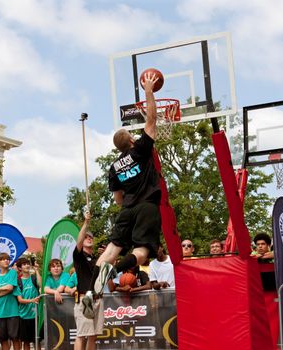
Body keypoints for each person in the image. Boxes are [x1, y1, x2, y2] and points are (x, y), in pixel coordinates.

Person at [82, 72, 162, 317]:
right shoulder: (139, 150)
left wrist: (128, 202)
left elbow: (117, 198)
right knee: (141, 252)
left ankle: (88, 292)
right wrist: (148, 91)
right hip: (147, 205)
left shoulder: (114, 167)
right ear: (130, 139)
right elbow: (151, 121)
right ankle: (115, 271)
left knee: (109, 251)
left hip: (126, 208)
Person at [72, 211, 104, 350]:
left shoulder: (98, 259)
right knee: (82, 334)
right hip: (86, 298)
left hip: (97, 298)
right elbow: (78, 241)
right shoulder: (79, 256)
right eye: (86, 237)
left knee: (93, 336)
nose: (89, 238)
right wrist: (86, 223)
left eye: (91, 237)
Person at [0, 253, 21, 350]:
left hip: (12, 312)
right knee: (3, 339)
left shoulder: (12, 273)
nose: (6, 261)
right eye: (3, 259)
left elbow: (10, 288)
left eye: (8, 259)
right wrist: (1, 289)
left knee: (15, 338)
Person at [16, 257, 41, 350]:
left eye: (27, 263)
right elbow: (20, 299)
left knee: (37, 340)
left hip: (36, 315)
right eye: (24, 264)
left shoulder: (33, 278)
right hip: (23, 316)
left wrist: (37, 270)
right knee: (25, 342)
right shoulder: (18, 282)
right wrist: (32, 300)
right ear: (19, 268)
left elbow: (40, 284)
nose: (27, 265)